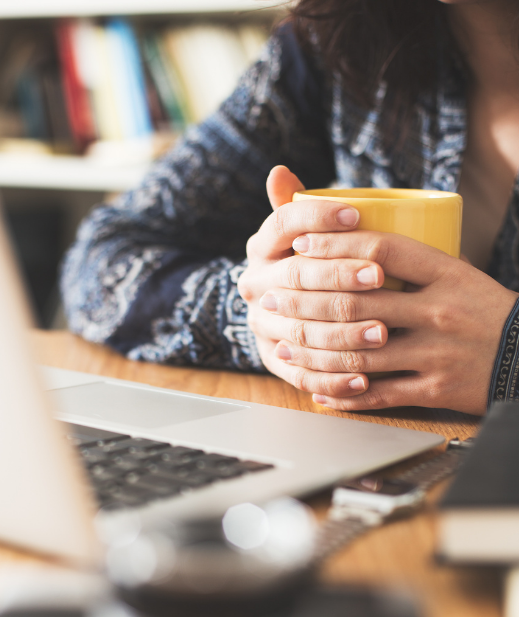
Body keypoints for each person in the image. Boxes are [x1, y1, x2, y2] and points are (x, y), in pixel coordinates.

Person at [61, 0, 519, 416]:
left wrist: (510, 357)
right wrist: (277, 313)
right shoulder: (337, 42)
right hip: (383, 471)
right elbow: (102, 258)